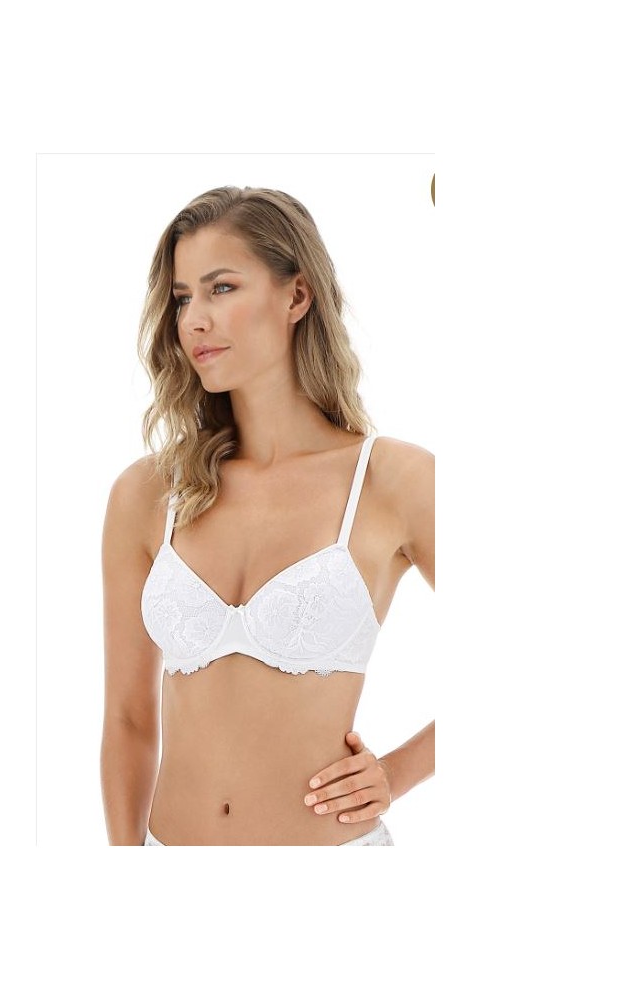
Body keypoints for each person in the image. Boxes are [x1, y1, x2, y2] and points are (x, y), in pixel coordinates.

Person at [100, 186, 434, 846]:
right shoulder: (149, 493)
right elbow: (128, 720)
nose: (194, 320)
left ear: (297, 296)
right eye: (182, 298)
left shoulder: (392, 481)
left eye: (221, 288)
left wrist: (399, 772)